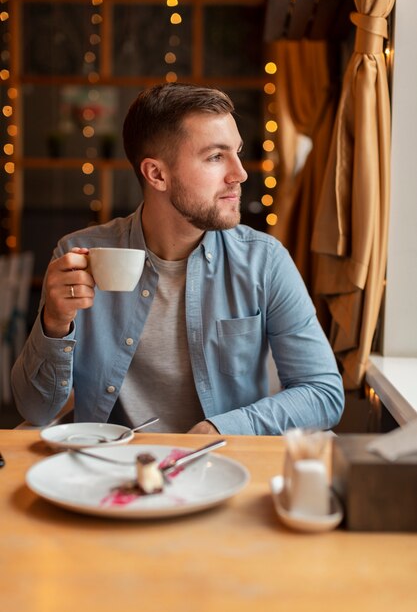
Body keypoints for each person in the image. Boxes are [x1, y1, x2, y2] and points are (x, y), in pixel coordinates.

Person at [11, 82, 344, 435]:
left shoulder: (264, 260)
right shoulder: (79, 256)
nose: (240, 173)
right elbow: (35, 408)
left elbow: (323, 393)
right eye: (216, 157)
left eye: (237, 152)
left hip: (221, 465)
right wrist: (54, 322)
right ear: (157, 174)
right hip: (110, 468)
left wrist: (223, 427)